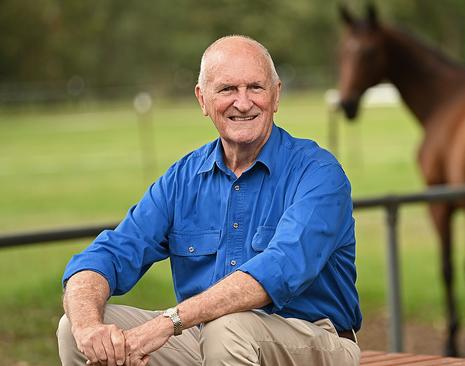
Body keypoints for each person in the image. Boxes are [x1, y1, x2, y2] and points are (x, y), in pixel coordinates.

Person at [57, 35, 362, 366]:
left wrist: (169, 321)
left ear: (276, 95)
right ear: (202, 99)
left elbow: (280, 268)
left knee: (226, 329)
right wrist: (88, 328)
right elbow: (112, 252)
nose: (243, 103)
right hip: (206, 338)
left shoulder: (318, 173)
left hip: (315, 340)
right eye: (227, 89)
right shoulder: (183, 179)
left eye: (255, 88)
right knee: (74, 330)